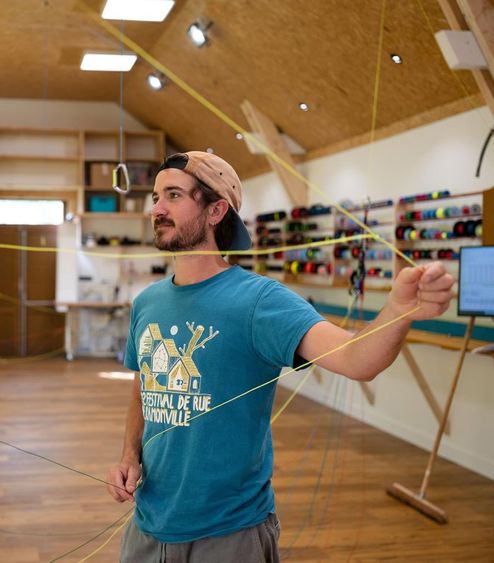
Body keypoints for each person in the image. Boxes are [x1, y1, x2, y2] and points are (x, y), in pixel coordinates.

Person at [106, 151, 454, 562]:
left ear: (216, 210)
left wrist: (399, 311)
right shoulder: (148, 302)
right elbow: (145, 383)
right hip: (147, 526)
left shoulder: (259, 301)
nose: (157, 209)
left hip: (228, 535)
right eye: (155, 197)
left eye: (173, 196)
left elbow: (358, 360)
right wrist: (130, 454)